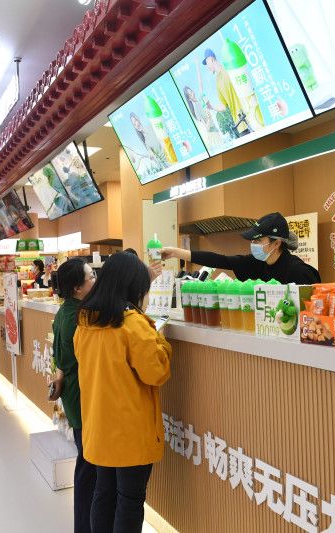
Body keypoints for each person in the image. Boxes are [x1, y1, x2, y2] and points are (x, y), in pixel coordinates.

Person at [73, 252, 172, 532]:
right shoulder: (132, 324)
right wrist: (161, 341)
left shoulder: (86, 322)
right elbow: (157, 372)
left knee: (104, 493)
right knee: (129, 500)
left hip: (99, 428)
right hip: (129, 431)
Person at [52, 258, 97, 533]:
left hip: (74, 393)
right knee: (89, 467)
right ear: (78, 288)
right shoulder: (79, 318)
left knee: (86, 463)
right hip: (83, 396)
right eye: (92, 276)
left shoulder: (67, 311)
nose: (96, 280)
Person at [161, 212, 321, 285]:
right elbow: (222, 260)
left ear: (276, 243)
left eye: (259, 240)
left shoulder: (298, 271)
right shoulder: (258, 262)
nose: (254, 244)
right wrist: (175, 252)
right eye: (253, 240)